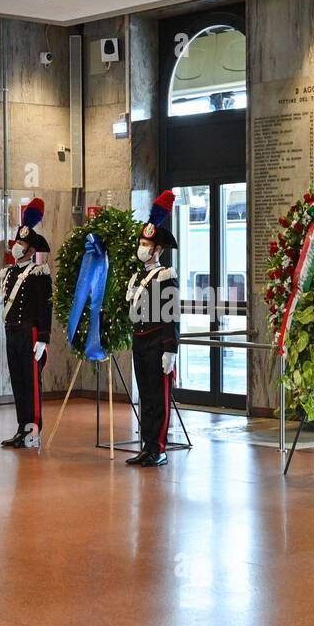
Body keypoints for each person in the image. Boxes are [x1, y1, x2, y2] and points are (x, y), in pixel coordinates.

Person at [126, 191, 181, 468]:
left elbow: (171, 316)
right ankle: (146, 446)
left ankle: (158, 448)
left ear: (158, 249)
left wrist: (170, 349)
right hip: (140, 341)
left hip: (158, 343)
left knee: (158, 400)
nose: (142, 247)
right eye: (141, 242)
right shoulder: (139, 276)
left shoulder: (165, 275)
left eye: (147, 243)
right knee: (145, 398)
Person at [0, 199, 51, 448]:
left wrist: (43, 337)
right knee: (18, 381)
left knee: (31, 383)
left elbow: (44, 307)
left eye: (22, 244)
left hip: (30, 334)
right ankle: (22, 426)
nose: (17, 247)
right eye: (17, 242)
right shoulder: (9, 272)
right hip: (13, 332)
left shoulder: (39, 273)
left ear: (31, 250)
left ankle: (34, 428)